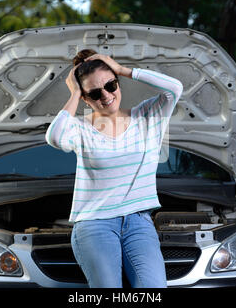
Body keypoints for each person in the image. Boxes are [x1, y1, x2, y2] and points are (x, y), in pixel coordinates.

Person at [45, 49, 183, 288]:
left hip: (139, 221)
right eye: (95, 93)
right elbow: (54, 137)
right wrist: (75, 92)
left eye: (111, 85)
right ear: (86, 99)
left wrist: (123, 69)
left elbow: (175, 88)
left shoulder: (148, 116)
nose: (106, 95)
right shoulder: (79, 128)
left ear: (118, 83)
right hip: (94, 223)